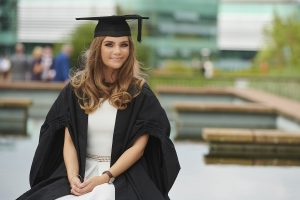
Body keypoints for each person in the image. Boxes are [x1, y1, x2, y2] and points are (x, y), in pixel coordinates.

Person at [17, 14, 180, 200]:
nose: (118, 51)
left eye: (124, 44)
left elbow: (139, 148)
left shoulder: (139, 92)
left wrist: (104, 178)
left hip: (121, 175)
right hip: (79, 173)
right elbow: (68, 140)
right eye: (109, 44)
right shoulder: (77, 88)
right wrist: (72, 177)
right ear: (98, 48)